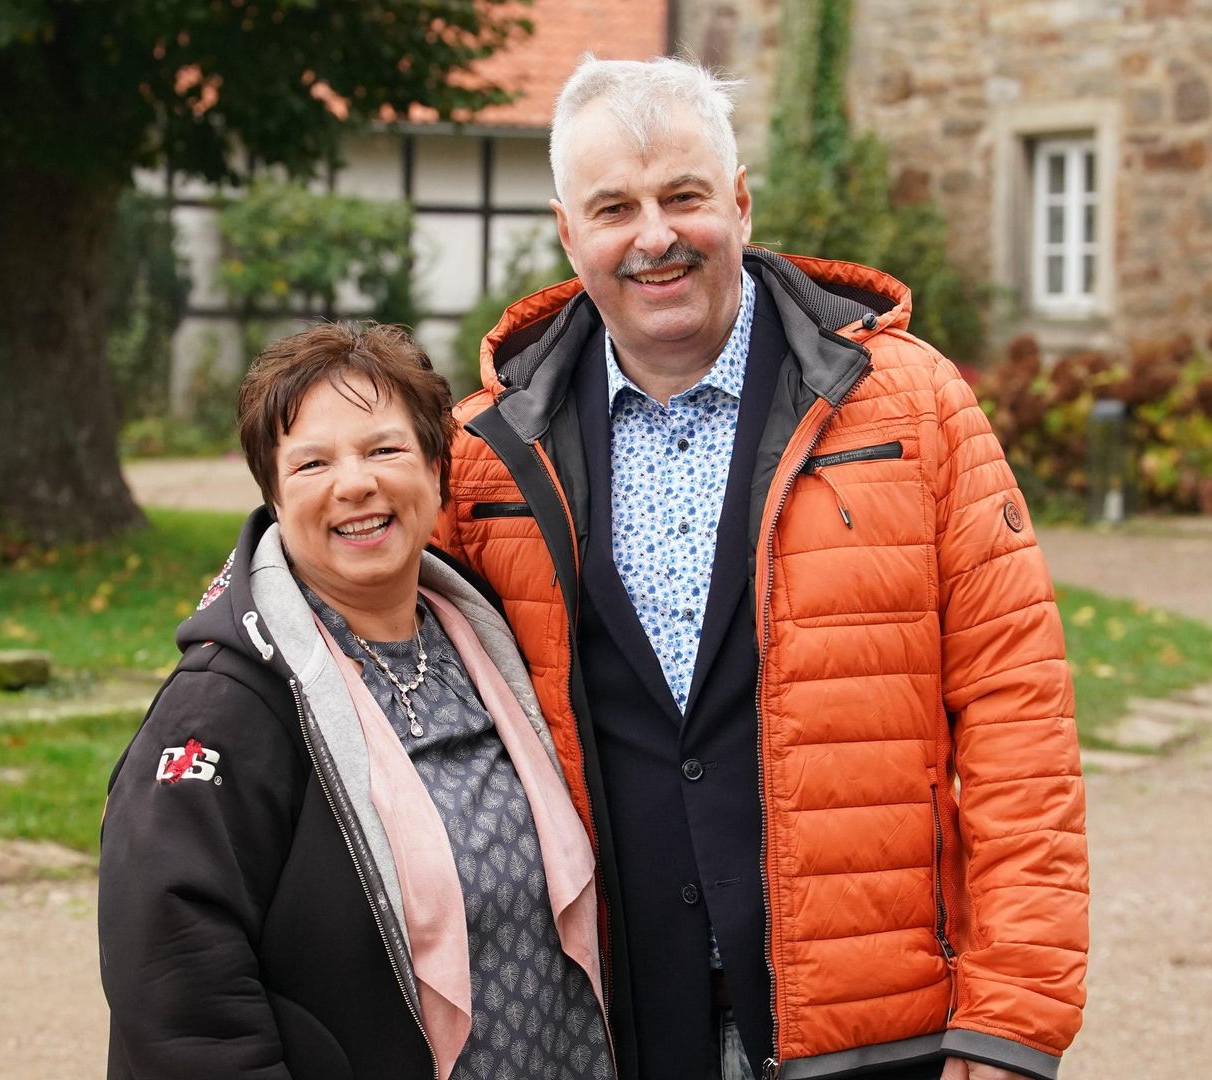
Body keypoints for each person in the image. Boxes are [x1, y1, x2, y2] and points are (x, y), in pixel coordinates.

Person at [432, 57, 1088, 1080]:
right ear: (568, 233)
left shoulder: (913, 406)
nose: (654, 236)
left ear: (738, 202)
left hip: (875, 1026)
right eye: (615, 209)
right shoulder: (484, 457)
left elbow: (1019, 715)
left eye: (683, 196)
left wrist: (1013, 1015)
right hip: (615, 1030)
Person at [99, 321, 615, 1080]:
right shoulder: (221, 710)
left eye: (384, 450)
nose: (355, 485)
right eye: (312, 463)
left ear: (436, 470)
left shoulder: (498, 648)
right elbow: (175, 994)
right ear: (274, 496)